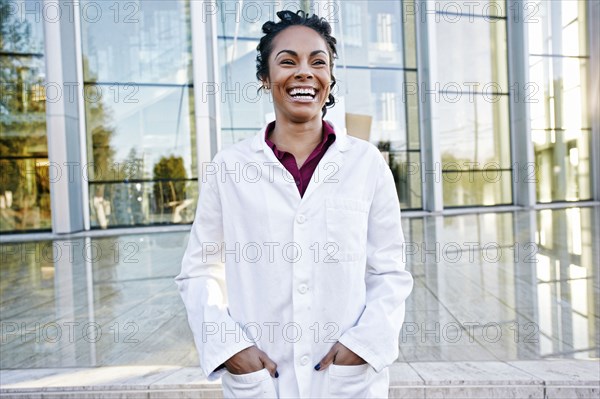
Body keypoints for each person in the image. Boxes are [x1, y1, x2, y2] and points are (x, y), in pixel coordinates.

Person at [175, 10, 414, 398]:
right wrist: (232, 350)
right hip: (263, 380)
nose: (305, 72)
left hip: (346, 381)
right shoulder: (230, 168)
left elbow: (389, 272)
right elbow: (200, 271)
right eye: (288, 61)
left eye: (318, 62)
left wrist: (362, 347)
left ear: (329, 79)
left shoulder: (367, 164)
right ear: (265, 78)